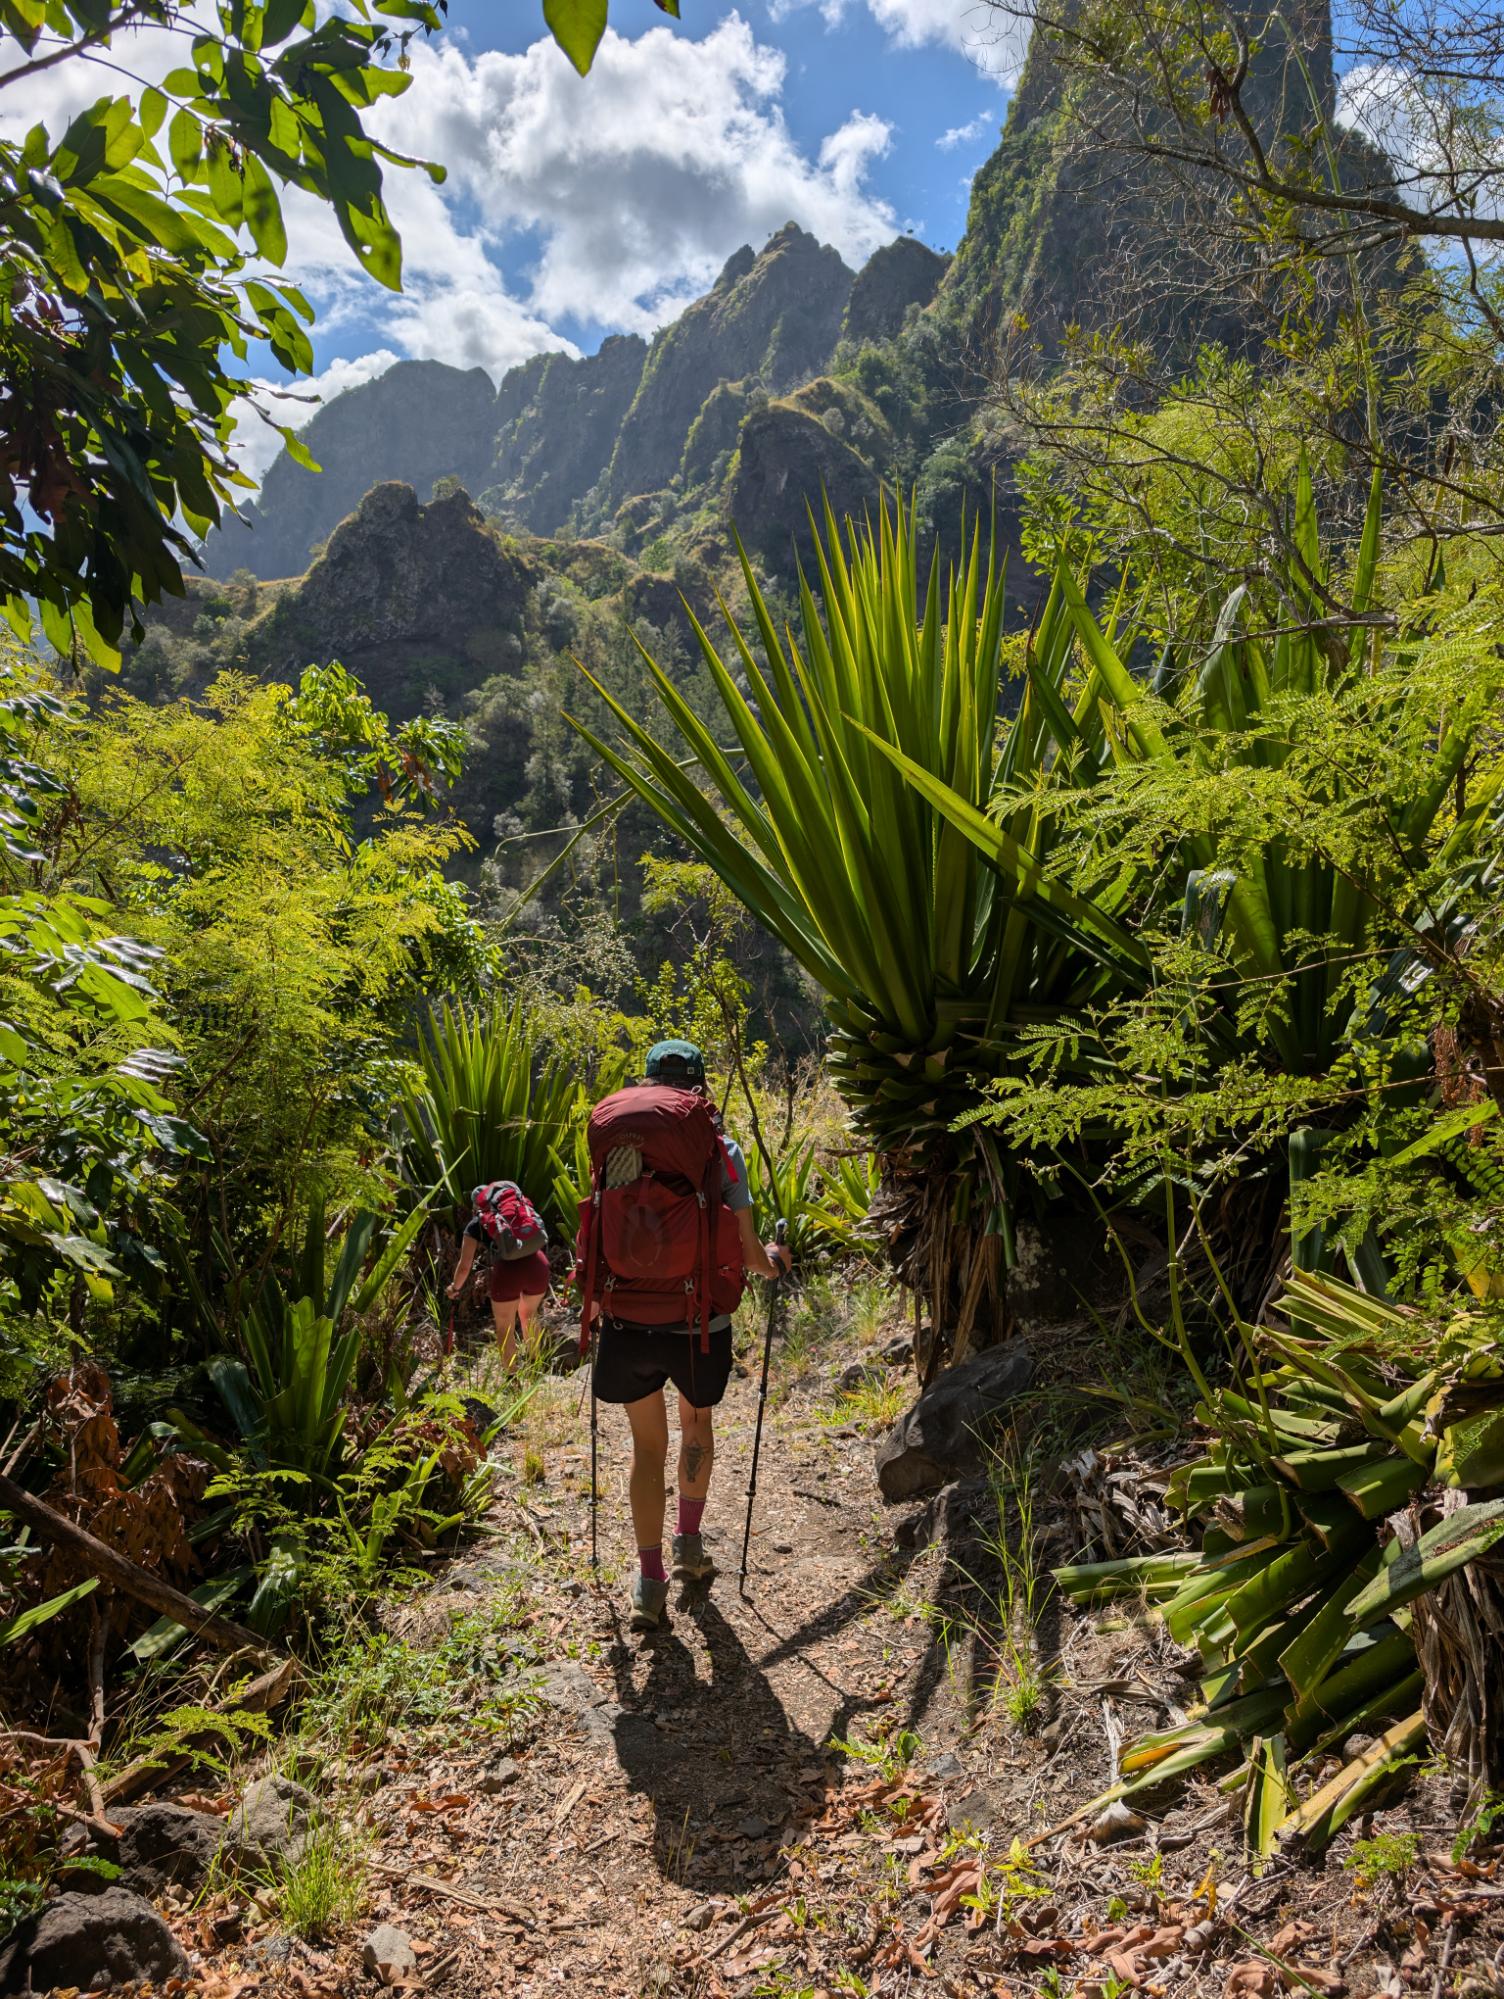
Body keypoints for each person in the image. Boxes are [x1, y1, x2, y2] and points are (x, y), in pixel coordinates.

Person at [586, 1039, 792, 1632]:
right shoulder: (719, 1149)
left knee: (646, 1446)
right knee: (695, 1426)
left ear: (647, 1084)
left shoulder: (618, 1150)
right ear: (700, 1086)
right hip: (698, 1323)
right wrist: (776, 1259)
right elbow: (749, 1253)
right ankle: (688, 1546)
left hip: (627, 1318)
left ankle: (648, 1582)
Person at [446, 1184, 551, 1370]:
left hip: (508, 1273)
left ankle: (512, 1379)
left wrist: (454, 1288)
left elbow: (464, 1267)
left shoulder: (476, 1224)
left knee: (505, 1328)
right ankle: (536, 1368)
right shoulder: (518, 1209)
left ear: (477, 1205)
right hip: (538, 1265)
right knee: (530, 1316)